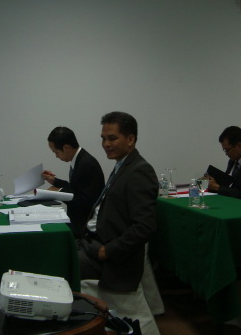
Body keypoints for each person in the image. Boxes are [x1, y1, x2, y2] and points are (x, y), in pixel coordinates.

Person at [78, 112, 160, 334]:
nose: (106, 144)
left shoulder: (139, 170)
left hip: (111, 255)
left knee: (62, 265)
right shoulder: (122, 166)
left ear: (130, 139)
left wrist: (108, 251)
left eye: (112, 138)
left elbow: (144, 227)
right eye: (103, 138)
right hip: (94, 243)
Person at [43, 126, 105, 238]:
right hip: (78, 221)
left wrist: (59, 192)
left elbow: (85, 202)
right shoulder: (79, 159)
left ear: (66, 148)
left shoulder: (87, 164)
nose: (56, 156)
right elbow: (75, 187)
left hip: (84, 228)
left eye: (56, 152)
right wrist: (55, 181)